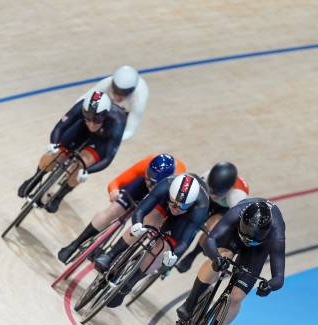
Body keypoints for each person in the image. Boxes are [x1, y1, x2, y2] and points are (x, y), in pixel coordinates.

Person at [93, 173, 210, 308]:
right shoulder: (166, 185)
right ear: (170, 193)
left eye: (181, 206)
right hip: (163, 202)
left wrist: (173, 255)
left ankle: (128, 286)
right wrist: (137, 224)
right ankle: (111, 254)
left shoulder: (200, 208)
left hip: (184, 219)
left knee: (162, 249)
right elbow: (140, 210)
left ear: (190, 204)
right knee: (149, 220)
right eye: (173, 202)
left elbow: (184, 241)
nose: (175, 208)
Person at [176, 198, 286, 325]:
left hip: (257, 250)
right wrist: (217, 259)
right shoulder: (236, 213)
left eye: (251, 241)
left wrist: (269, 286)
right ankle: (190, 304)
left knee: (236, 297)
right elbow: (209, 240)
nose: (247, 242)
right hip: (234, 235)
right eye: (245, 237)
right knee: (223, 256)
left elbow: (279, 277)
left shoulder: (277, 235)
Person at [57, 153, 186, 263]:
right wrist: (114, 191)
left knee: (148, 221)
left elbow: (170, 214)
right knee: (114, 209)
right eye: (148, 179)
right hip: (142, 187)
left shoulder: (175, 185)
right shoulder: (146, 164)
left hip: (163, 196)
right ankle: (75, 244)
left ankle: (113, 256)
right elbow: (115, 183)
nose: (149, 185)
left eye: (153, 184)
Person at [17, 90, 126, 213]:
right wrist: (54, 144)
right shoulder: (81, 105)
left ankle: (59, 196)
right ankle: (35, 178)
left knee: (80, 166)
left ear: (105, 116)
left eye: (96, 121)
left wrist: (87, 170)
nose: (91, 124)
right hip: (80, 131)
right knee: (55, 154)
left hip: (101, 140)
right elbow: (59, 127)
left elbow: (108, 158)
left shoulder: (118, 120)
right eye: (88, 119)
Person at [175, 162, 249, 272]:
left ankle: (192, 255)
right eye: (212, 189)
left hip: (226, 209)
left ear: (229, 189)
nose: (214, 193)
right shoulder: (206, 176)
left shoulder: (237, 197)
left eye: (217, 192)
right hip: (207, 200)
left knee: (211, 229)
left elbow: (235, 224)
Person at [79, 65, 148, 142]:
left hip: (125, 111)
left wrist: (109, 140)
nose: (117, 98)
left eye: (123, 94)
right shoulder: (107, 83)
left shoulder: (139, 98)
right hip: (108, 104)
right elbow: (84, 98)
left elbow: (129, 131)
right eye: (116, 92)